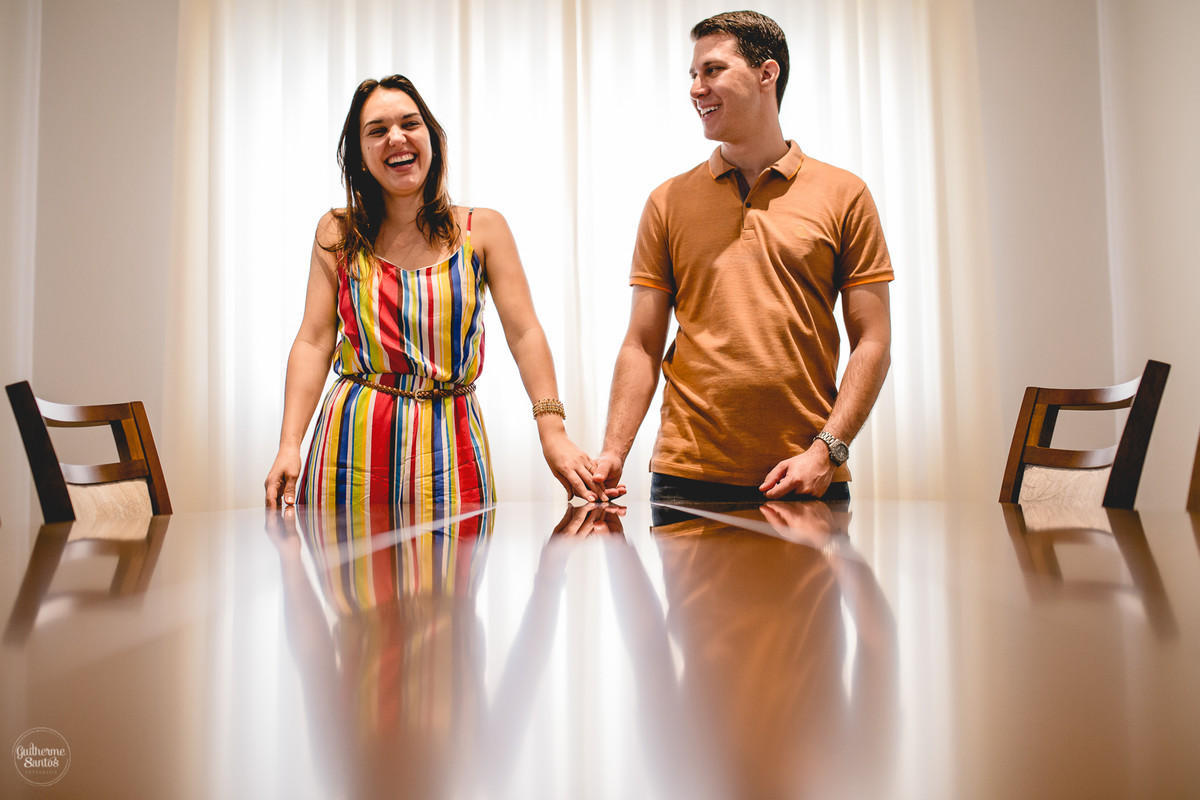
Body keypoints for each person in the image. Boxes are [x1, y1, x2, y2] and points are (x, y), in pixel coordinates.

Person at [593, 10, 893, 504]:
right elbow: (643, 344)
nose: (695, 88)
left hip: (806, 476)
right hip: (685, 476)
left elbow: (873, 341)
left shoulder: (845, 194)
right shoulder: (667, 201)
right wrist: (613, 450)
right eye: (693, 74)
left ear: (766, 74)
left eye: (712, 70)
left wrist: (826, 453)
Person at [265, 75, 600, 509]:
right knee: (350, 576)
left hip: (452, 441)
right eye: (378, 131)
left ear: (432, 139)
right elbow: (313, 341)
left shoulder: (483, 229)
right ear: (361, 154)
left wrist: (552, 431)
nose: (397, 138)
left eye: (410, 123)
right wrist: (289, 444)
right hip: (350, 442)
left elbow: (525, 333)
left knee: (451, 573)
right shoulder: (337, 231)